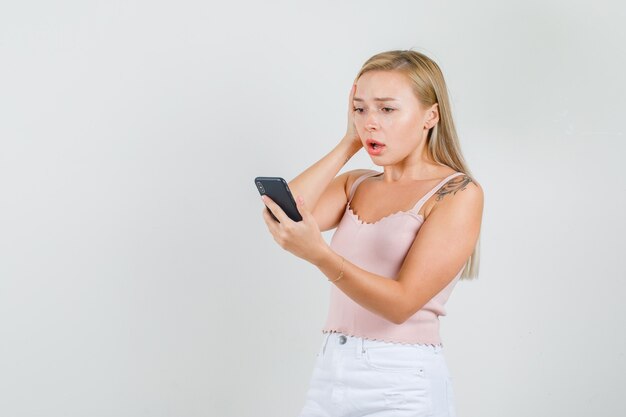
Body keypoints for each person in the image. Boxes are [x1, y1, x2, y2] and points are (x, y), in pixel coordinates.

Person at [260, 49, 483, 417]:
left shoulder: (457, 193)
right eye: (360, 109)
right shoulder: (357, 184)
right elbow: (283, 211)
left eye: (387, 109)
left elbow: (401, 304)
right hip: (331, 372)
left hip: (401, 381)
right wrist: (349, 143)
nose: (370, 122)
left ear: (431, 115)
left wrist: (320, 254)